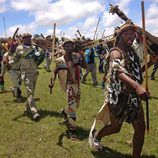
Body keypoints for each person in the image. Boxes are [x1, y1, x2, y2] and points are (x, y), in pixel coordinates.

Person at [89, 21, 149, 158]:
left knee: (140, 127)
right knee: (116, 128)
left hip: (133, 96)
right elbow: (117, 71)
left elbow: (136, 71)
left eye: (132, 33)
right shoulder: (115, 53)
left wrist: (150, 63)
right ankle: (97, 135)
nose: (131, 36)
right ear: (120, 36)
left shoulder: (132, 52)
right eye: (127, 33)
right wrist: (137, 86)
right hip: (118, 97)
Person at [49, 40, 87, 140]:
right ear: (64, 47)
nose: (70, 48)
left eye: (71, 46)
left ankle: (64, 112)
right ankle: (72, 130)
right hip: (68, 86)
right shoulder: (59, 61)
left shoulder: (77, 57)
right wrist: (51, 83)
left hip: (77, 85)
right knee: (73, 108)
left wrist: (82, 54)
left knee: (75, 105)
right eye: (67, 46)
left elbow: (85, 66)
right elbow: (54, 72)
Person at [13, 33, 41, 121]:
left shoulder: (34, 48)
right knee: (30, 91)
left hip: (34, 72)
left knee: (31, 92)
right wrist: (8, 62)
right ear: (23, 39)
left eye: (29, 38)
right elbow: (15, 59)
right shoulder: (19, 48)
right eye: (26, 38)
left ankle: (27, 107)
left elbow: (38, 59)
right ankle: (34, 111)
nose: (28, 39)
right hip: (25, 72)